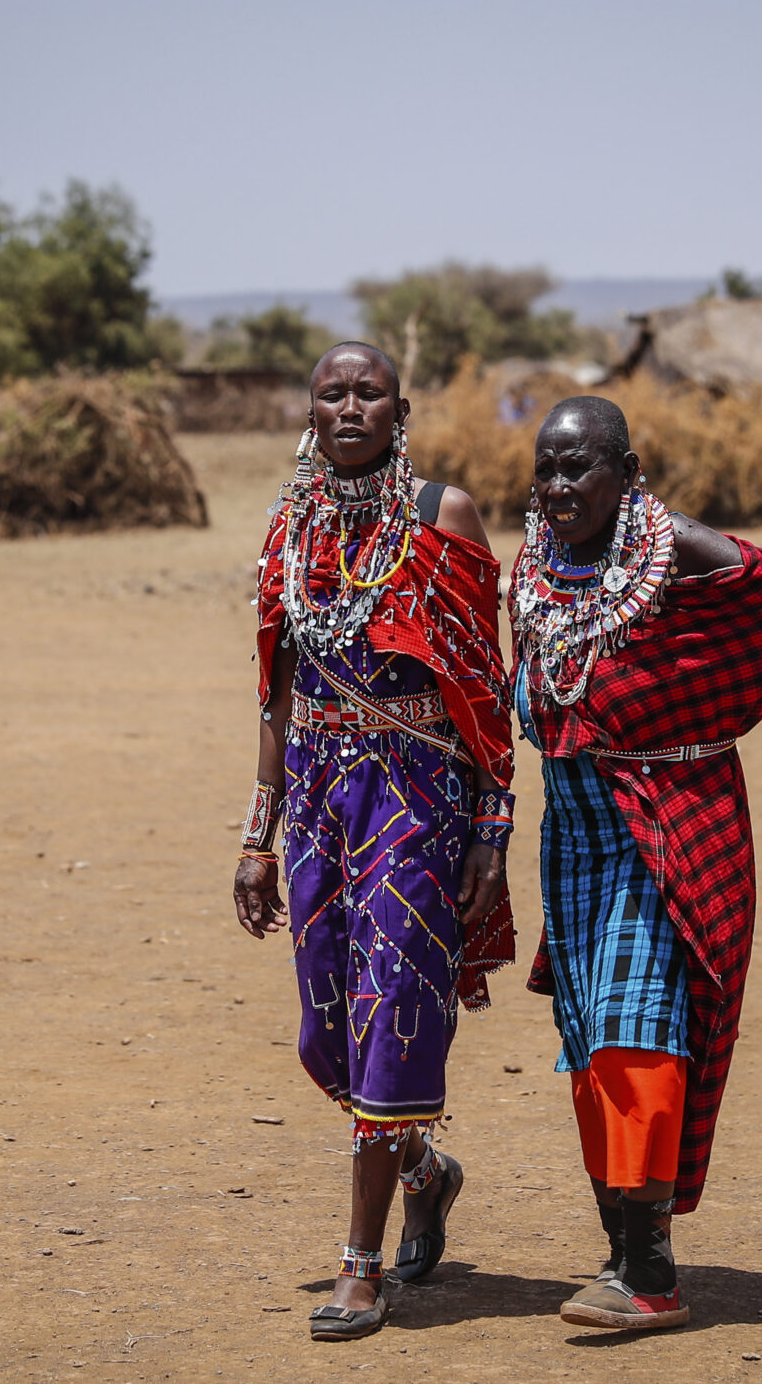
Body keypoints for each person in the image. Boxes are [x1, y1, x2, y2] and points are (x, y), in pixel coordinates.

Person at [507, 395, 762, 1332]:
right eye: (549, 467)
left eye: (583, 467)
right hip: (573, 825)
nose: (561, 485)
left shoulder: (661, 551)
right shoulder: (536, 562)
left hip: (666, 815)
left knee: (637, 1023)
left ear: (628, 469)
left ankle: (650, 1272)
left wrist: (676, 532)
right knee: (586, 1034)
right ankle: (620, 1248)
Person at [234, 343, 516, 1342]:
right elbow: (273, 688)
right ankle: (426, 1172)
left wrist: (491, 825)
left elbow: (485, 688)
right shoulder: (287, 528)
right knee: (328, 1031)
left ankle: (360, 1267)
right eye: (331, 391)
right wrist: (256, 834)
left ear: (401, 409)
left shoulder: (442, 517)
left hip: (415, 797)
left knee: (388, 1007)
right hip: (315, 795)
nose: (349, 405)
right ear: (308, 410)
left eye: (368, 392)